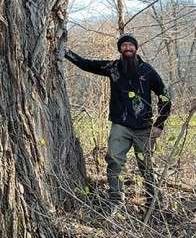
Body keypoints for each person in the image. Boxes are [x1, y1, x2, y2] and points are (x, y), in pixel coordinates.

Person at [65, 34, 171, 213]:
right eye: (124, 46)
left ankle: (155, 205)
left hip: (144, 128)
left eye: (130, 45)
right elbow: (86, 64)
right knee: (114, 162)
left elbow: (165, 97)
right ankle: (116, 201)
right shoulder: (113, 67)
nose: (127, 48)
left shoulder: (147, 70)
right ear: (120, 49)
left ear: (136, 48)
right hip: (120, 126)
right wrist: (66, 52)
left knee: (147, 167)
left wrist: (159, 124)